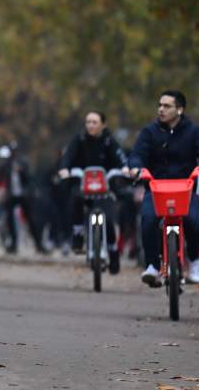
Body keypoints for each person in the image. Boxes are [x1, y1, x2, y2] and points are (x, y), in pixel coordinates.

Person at [129, 90, 199, 286]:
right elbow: (137, 154)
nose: (161, 109)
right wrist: (135, 167)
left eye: (167, 106)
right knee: (148, 219)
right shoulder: (149, 132)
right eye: (160, 105)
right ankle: (152, 265)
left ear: (179, 109)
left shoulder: (194, 131)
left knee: (193, 221)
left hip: (185, 189)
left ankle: (194, 262)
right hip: (156, 188)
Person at [58, 110, 129, 274]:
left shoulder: (109, 140)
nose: (90, 125)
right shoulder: (79, 139)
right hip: (83, 183)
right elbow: (68, 156)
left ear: (103, 125)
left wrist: (124, 168)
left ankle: (113, 252)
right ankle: (78, 232)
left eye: (94, 122)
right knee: (75, 198)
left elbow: (120, 156)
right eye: (88, 122)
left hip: (106, 186)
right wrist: (64, 170)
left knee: (109, 219)